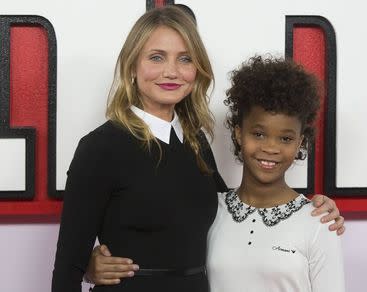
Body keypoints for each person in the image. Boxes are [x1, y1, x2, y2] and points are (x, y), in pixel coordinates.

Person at [52, 6, 344, 292]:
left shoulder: (195, 142)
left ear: (196, 69)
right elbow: (67, 268)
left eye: (184, 59)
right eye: (156, 57)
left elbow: (233, 207)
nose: (171, 71)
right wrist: (89, 267)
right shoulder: (100, 148)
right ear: (132, 66)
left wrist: (308, 209)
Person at [207, 55, 344, 291]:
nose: (270, 148)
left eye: (285, 138)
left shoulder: (319, 221)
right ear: (239, 133)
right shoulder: (210, 210)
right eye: (258, 134)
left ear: (300, 142)